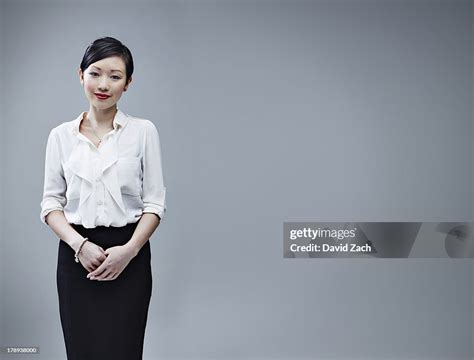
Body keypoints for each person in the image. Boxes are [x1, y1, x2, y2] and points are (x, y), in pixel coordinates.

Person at [40, 36, 166, 360]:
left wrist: (130, 251)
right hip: (76, 258)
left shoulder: (143, 132)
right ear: (80, 75)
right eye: (95, 73)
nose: (103, 84)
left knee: (124, 351)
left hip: (130, 255)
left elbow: (154, 204)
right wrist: (79, 245)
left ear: (128, 83)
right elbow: (51, 205)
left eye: (115, 76)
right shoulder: (60, 137)